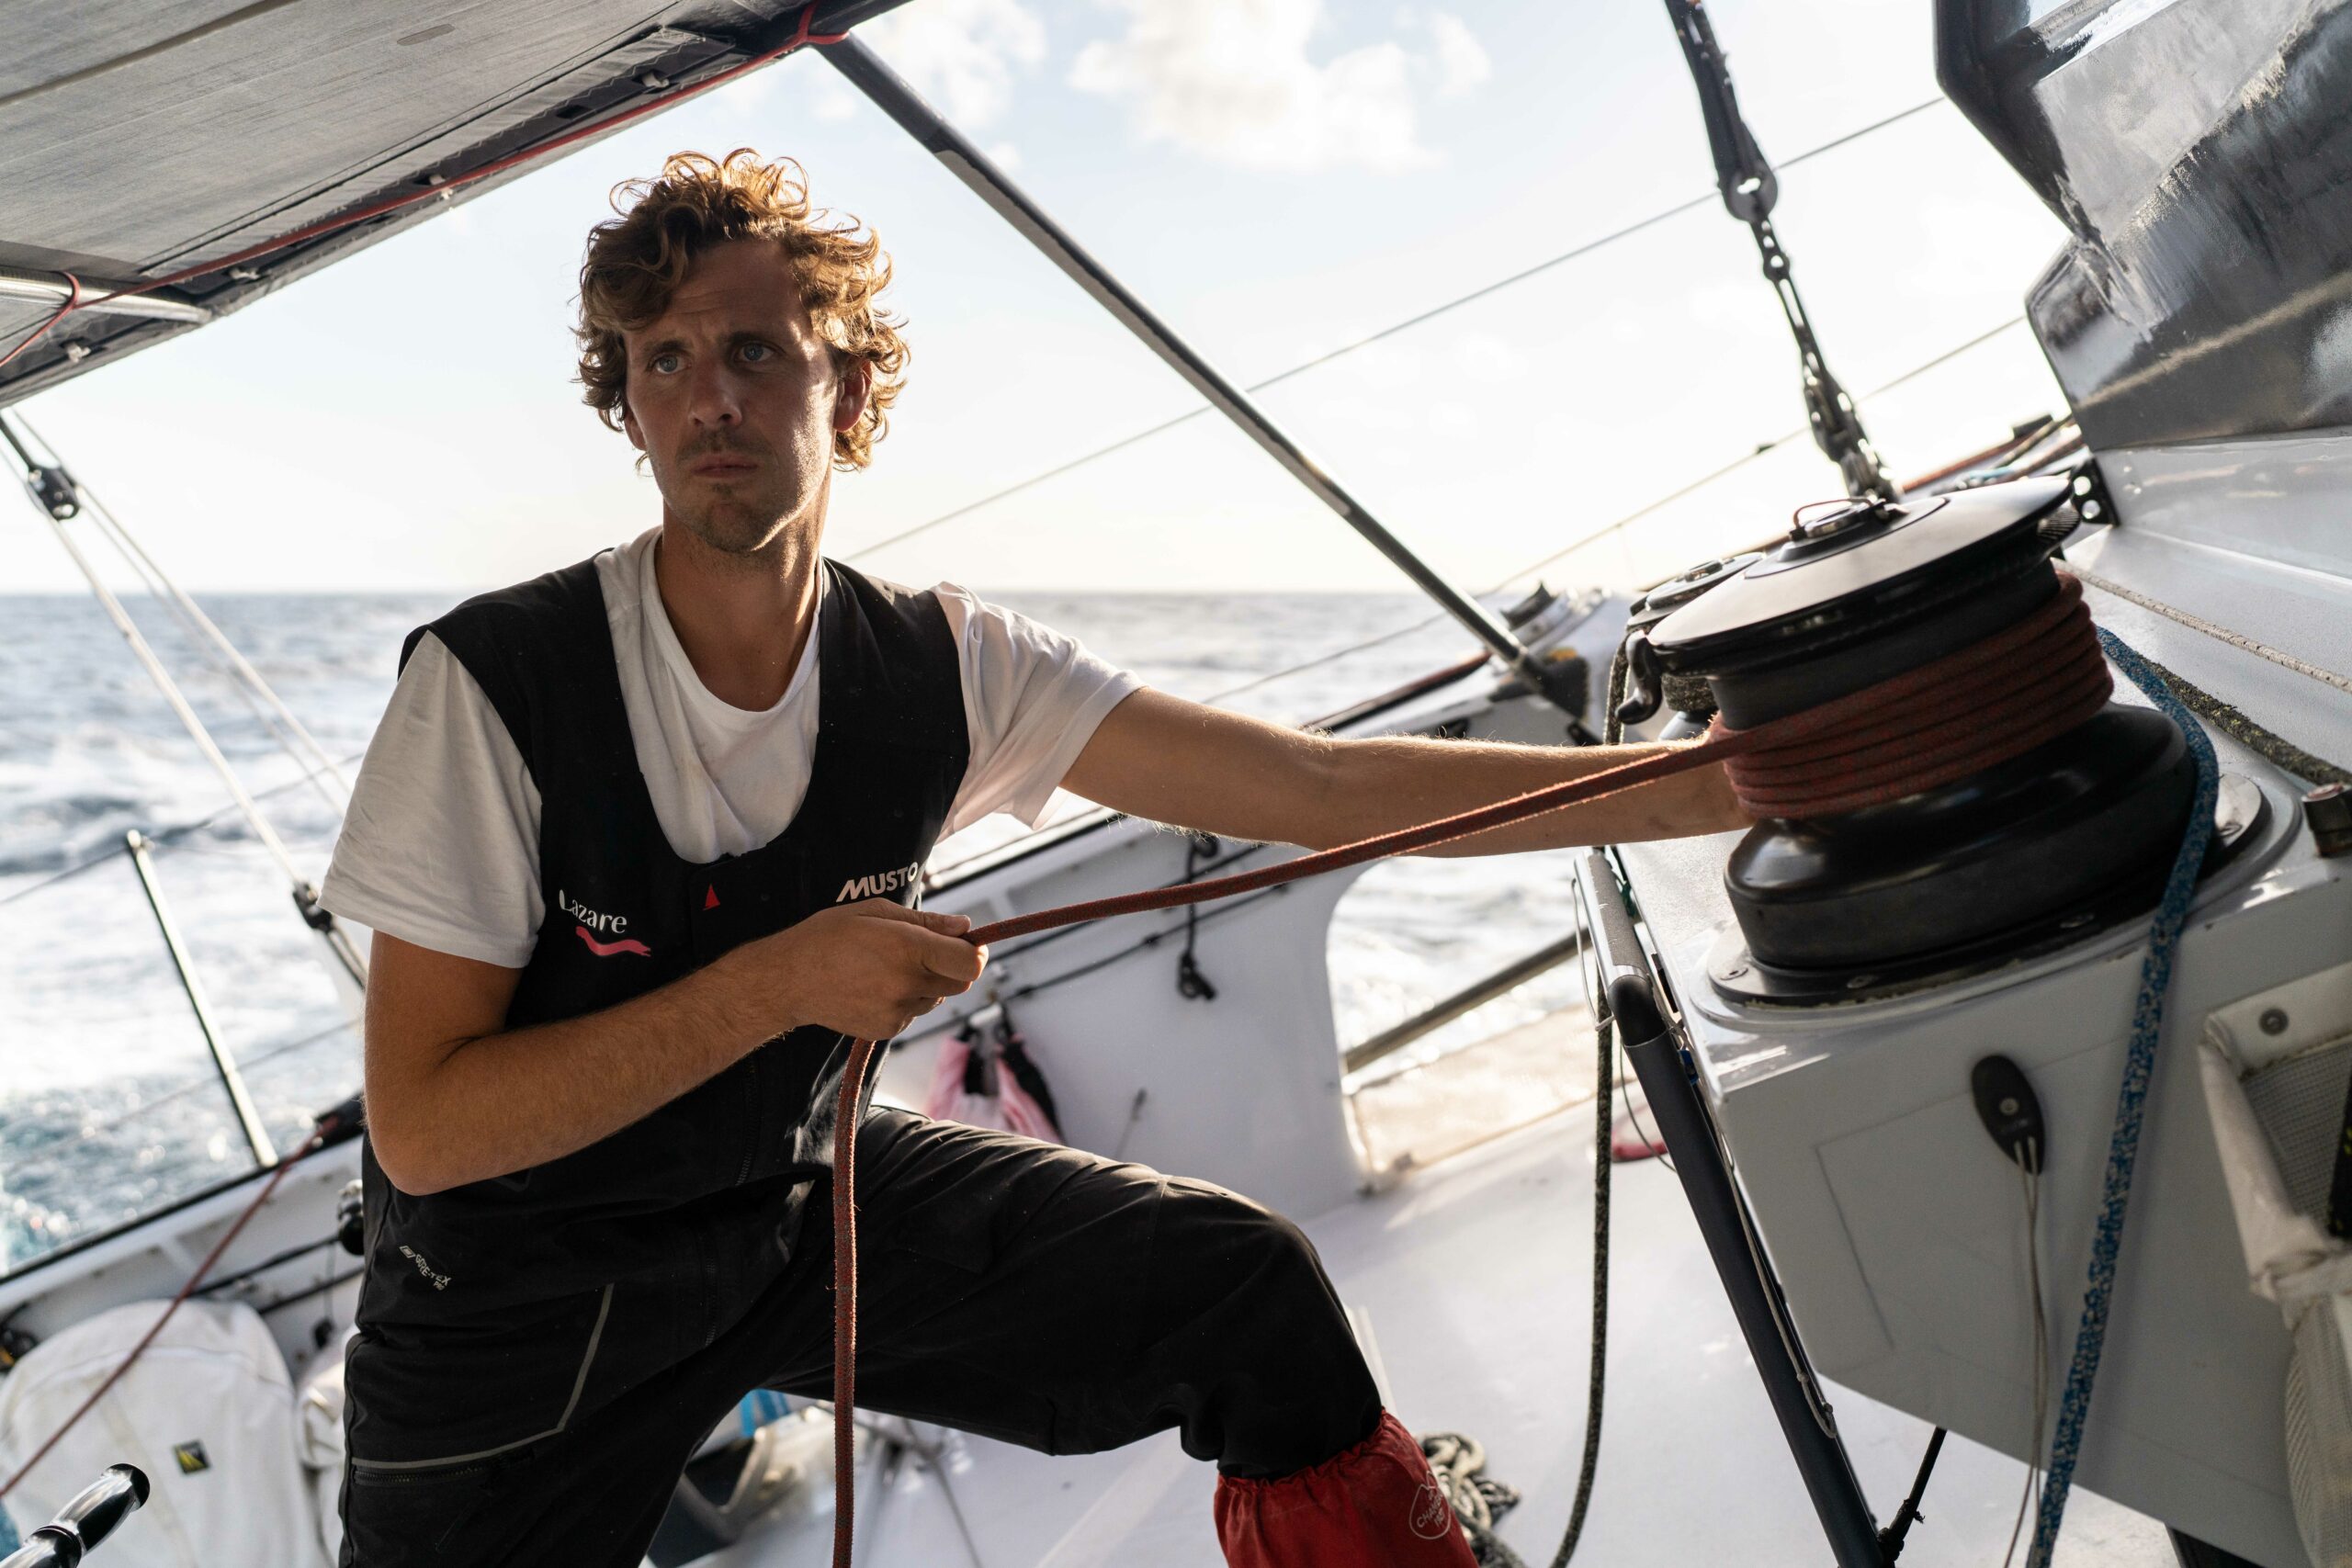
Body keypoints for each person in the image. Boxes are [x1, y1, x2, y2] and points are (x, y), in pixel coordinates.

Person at [321, 148, 1747, 1567]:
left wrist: (1705, 787)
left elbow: (1317, 787)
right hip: (511, 1310)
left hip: (791, 1213)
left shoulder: (948, 669)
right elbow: (428, 1128)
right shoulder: (496, 685)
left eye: (754, 350)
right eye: (664, 361)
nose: (711, 399)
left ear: (847, 389)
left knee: (1242, 1292)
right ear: (627, 404)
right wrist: (781, 983)